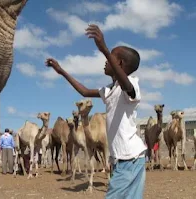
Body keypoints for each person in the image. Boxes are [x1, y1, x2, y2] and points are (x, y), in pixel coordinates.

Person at [45, 24, 146, 199]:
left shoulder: (131, 83)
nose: (106, 61)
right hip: (123, 160)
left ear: (119, 63)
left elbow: (127, 87)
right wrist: (62, 72)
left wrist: (105, 49)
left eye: (111, 58)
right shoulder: (109, 90)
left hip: (130, 159)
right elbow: (84, 91)